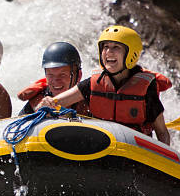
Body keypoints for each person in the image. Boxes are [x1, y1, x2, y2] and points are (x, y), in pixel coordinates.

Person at [36, 25, 172, 145]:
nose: (109, 52)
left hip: (134, 150)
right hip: (103, 147)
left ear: (131, 53)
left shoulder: (146, 89)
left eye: (116, 47)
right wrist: (47, 103)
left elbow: (162, 132)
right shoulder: (93, 83)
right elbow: (58, 102)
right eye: (105, 47)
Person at [17, 42, 89, 116]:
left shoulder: (89, 99)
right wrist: (39, 113)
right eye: (50, 75)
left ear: (79, 76)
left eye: (62, 75)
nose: (56, 80)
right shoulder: (37, 101)